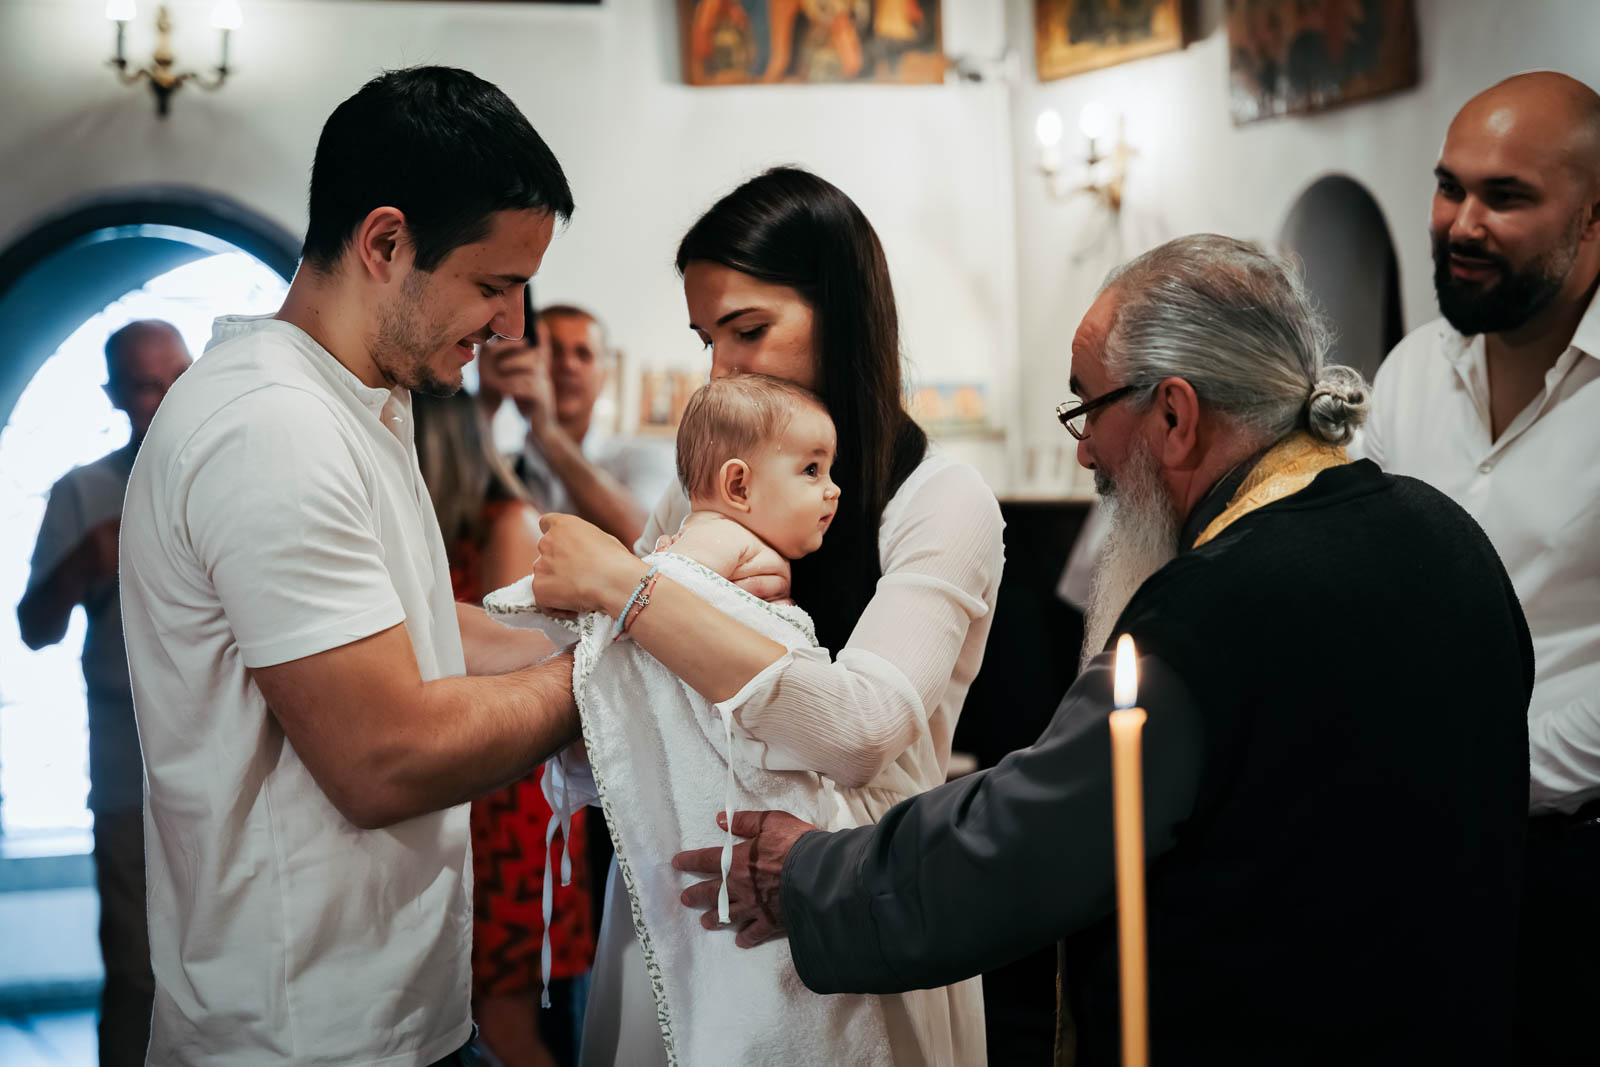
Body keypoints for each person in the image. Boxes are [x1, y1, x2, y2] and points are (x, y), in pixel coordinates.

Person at [673, 235, 1535, 1067]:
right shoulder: (1449, 537)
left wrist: (811, 873)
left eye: (1087, 408)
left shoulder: (1211, 613)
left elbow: (1029, 840)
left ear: (1174, 413)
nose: (1084, 450)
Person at [118, 67, 587, 1065]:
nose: (509, 327)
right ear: (386, 242)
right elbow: (384, 756)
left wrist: (602, 623)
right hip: (305, 1035)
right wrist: (603, 679)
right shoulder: (272, 428)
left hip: (395, 1007)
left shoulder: (356, 397)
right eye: (493, 286)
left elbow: (411, 622)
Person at [530, 166, 1002, 1066]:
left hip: (853, 914)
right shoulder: (709, 488)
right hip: (687, 914)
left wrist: (629, 590)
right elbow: (627, 674)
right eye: (708, 338)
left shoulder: (943, 499)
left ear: (842, 311)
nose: (723, 370)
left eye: (748, 330)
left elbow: (861, 729)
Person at [1355, 72, 1600, 1067]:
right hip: (1411, 850)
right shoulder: (1414, 366)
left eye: (1504, 196)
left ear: (1592, 218)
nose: (1459, 222)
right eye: (1448, 186)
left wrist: (1457, 762)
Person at [17, 318, 189, 1067]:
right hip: (128, 773)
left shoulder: (232, 478)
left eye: (173, 378)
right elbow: (33, 628)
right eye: (142, 385)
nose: (160, 398)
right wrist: (85, 562)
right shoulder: (83, 493)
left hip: (239, 767)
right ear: (114, 393)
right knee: (137, 969)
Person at [413, 390, 596, 1067]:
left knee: (505, 1019)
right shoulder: (429, 534)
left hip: (514, 797)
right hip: (467, 784)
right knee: (471, 1015)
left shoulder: (504, 522)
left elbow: (517, 653)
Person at [477, 303, 675, 548]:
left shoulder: (643, 458)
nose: (568, 365)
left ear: (605, 376)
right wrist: (485, 405)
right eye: (554, 352)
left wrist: (547, 431)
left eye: (583, 354)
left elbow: (646, 541)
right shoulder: (499, 464)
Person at [662, 373, 841, 599]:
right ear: (739, 487)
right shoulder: (720, 536)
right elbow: (662, 598)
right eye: (812, 470)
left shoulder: (739, 542)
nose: (835, 490)